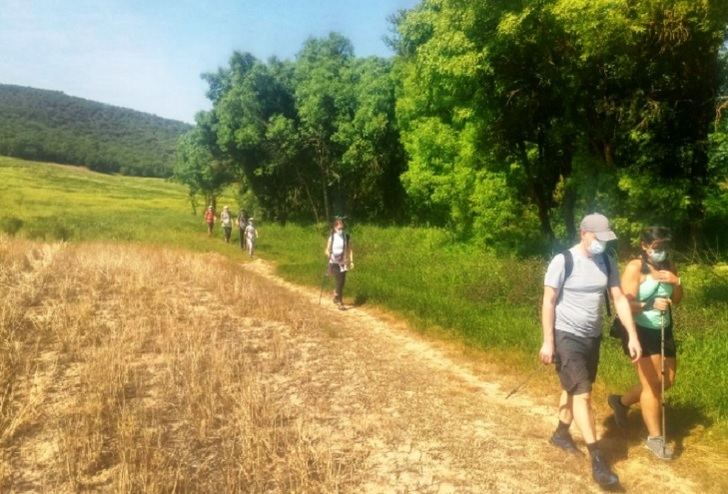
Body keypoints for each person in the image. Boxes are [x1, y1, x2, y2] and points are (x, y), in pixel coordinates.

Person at [540, 213, 642, 488]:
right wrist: (548, 341)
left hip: (592, 336)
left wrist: (632, 335)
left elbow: (619, 299)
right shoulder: (564, 260)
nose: (602, 244)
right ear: (584, 233)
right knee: (583, 394)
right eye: (598, 238)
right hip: (566, 335)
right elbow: (549, 301)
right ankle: (598, 461)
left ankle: (561, 434)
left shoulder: (607, 261)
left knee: (573, 387)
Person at [608, 226, 682, 460]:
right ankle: (655, 439)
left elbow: (677, 300)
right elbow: (624, 304)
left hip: (663, 328)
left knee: (667, 381)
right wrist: (649, 306)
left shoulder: (669, 264)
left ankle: (620, 402)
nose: (661, 251)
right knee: (653, 385)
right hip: (639, 330)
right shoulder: (635, 268)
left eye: (665, 246)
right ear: (644, 246)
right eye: (657, 246)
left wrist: (676, 281)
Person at [324, 218, 354, 308]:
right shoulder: (332, 237)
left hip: (343, 262)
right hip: (333, 262)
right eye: (339, 228)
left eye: (342, 228)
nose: (341, 230)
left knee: (342, 282)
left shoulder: (346, 237)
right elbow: (327, 250)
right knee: (339, 281)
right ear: (334, 228)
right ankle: (340, 302)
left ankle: (336, 294)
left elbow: (350, 249)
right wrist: (328, 254)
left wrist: (351, 261)